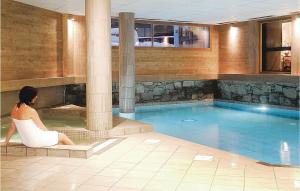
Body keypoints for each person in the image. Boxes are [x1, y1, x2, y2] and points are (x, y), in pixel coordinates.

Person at [4, 86, 74, 147]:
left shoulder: (15, 108)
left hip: (26, 142)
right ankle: (78, 150)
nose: (36, 97)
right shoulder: (30, 111)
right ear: (30, 97)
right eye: (35, 95)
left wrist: (5, 142)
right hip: (36, 142)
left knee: (56, 136)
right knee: (62, 136)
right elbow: (42, 127)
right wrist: (52, 135)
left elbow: (12, 127)